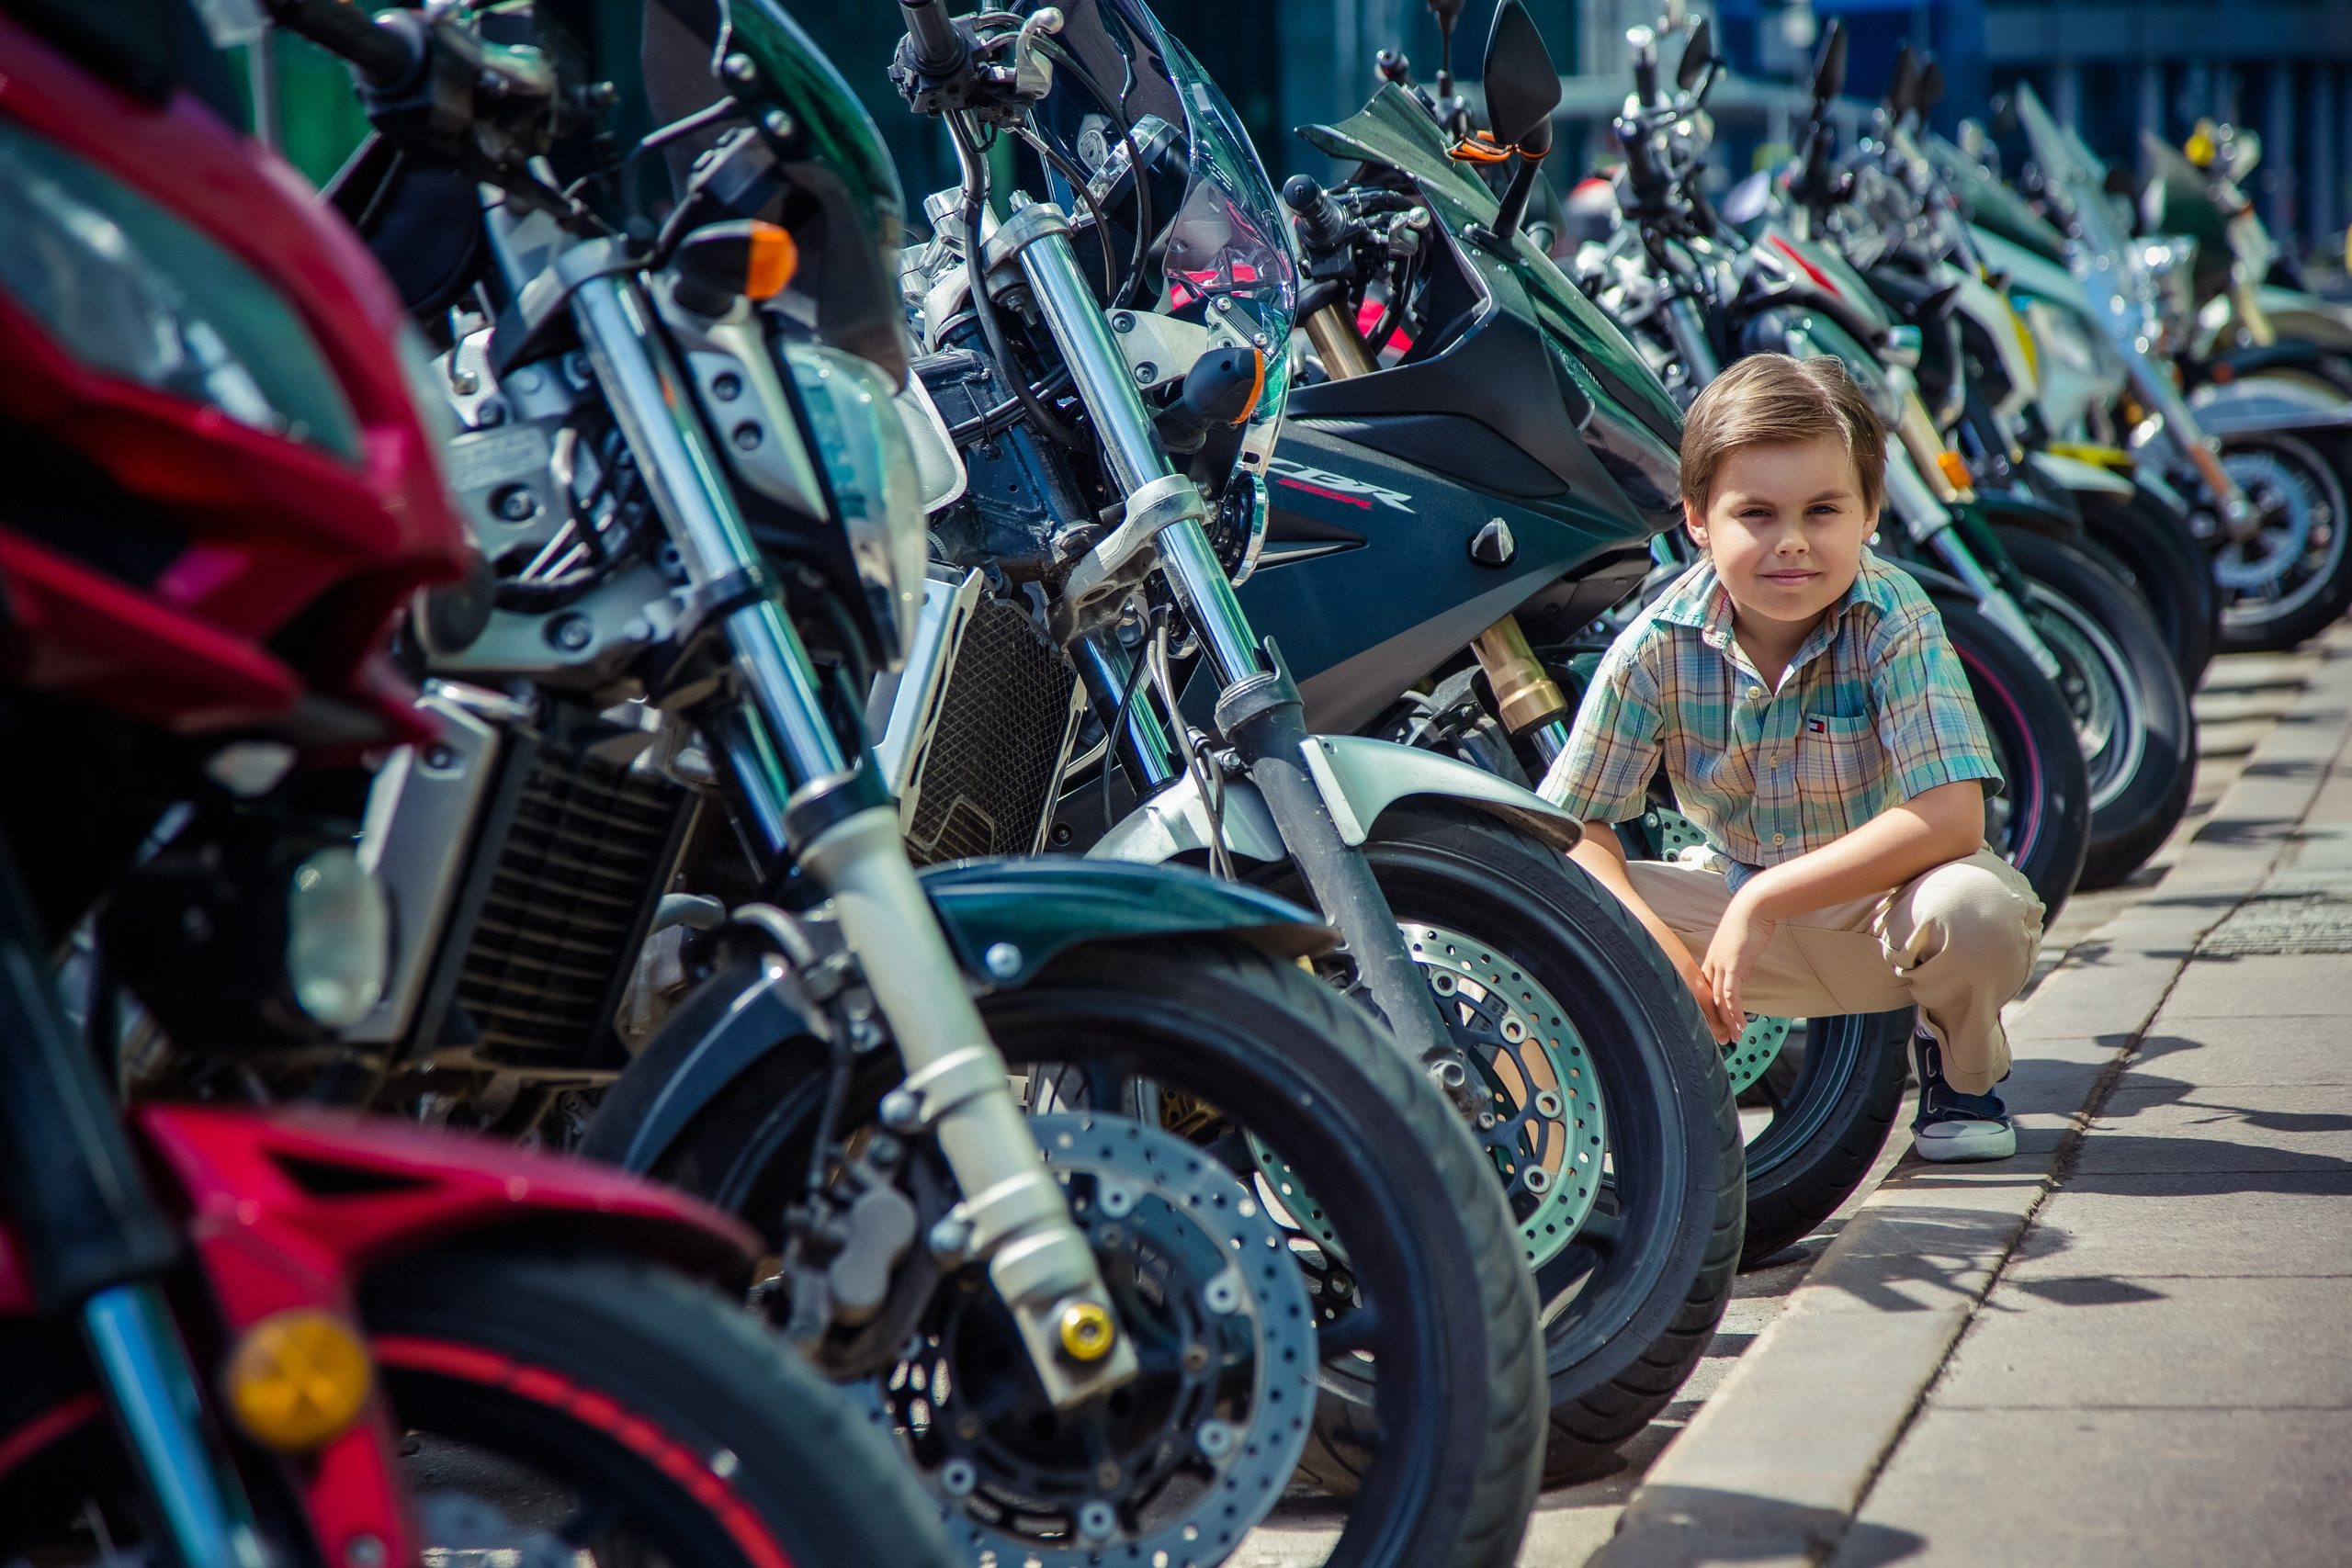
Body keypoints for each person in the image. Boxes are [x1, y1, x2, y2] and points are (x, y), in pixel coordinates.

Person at [1539, 354, 2042, 1162]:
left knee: (1974, 911)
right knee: (1548, 911)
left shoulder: (1894, 619)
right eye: (1757, 514)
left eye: (1823, 510)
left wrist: (1766, 899)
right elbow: (1574, 825)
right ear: (1697, 518)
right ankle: (1598, 1138)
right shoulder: (1656, 644)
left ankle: (1961, 1070)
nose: (1793, 544)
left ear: (1871, 512)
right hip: (1728, 911)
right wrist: (1659, 949)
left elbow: (1953, 815)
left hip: (1888, 914)